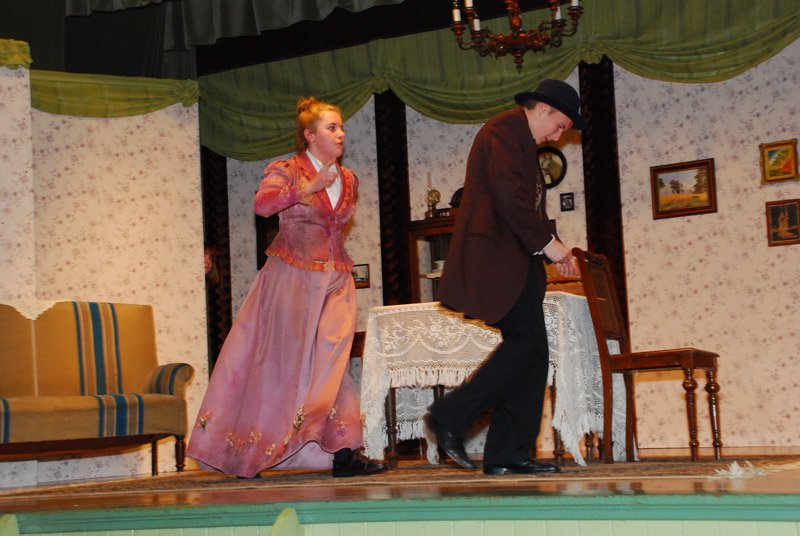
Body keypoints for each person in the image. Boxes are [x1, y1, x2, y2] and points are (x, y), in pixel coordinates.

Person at [187, 97, 386, 479]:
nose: (341, 134)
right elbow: (263, 205)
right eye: (331, 128)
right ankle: (249, 453)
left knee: (334, 363)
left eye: (342, 127)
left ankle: (342, 452)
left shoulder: (349, 179)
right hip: (292, 277)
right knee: (278, 366)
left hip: (337, 278)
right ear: (310, 135)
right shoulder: (286, 170)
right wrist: (309, 186)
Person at [424, 79, 583, 476]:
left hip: (517, 261)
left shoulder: (521, 140)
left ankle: (508, 453)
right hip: (496, 257)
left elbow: (525, 207)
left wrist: (547, 248)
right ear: (543, 108)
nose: (558, 136)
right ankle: (449, 415)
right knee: (528, 344)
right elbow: (509, 198)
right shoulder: (503, 130)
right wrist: (550, 244)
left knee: (533, 351)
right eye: (560, 125)